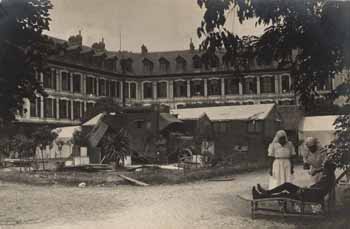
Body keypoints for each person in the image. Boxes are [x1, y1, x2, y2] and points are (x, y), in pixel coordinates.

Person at [252, 160, 336, 203]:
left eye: (324, 168)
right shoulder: (329, 175)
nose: (323, 169)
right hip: (307, 193)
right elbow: (318, 188)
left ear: (328, 169)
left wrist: (305, 190)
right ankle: (267, 192)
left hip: (308, 195)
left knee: (283, 195)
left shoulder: (328, 178)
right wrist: (306, 189)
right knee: (287, 185)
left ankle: (260, 196)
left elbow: (320, 191)